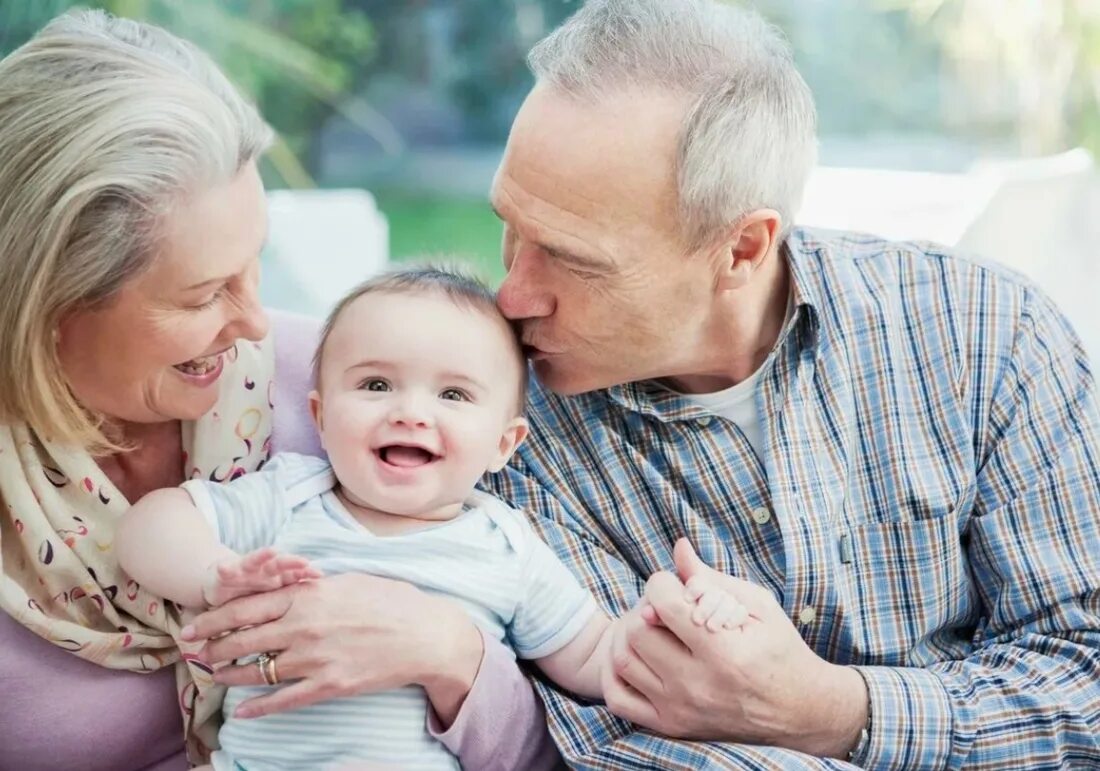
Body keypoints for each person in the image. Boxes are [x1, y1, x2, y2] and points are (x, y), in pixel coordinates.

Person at [483, 0, 1100, 768]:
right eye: (509, 226)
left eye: (571, 259)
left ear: (741, 248)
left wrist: (831, 711)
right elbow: (627, 748)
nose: (511, 296)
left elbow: (1086, 678)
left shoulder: (988, 333)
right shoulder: (494, 423)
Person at [0, 12, 561, 771]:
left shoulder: (346, 388)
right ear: (48, 304)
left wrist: (448, 653)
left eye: (254, 263)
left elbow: (553, 749)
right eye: (202, 295)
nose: (255, 320)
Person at [116, 266, 742, 770]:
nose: (412, 413)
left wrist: (675, 620)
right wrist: (215, 573)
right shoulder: (289, 499)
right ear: (320, 415)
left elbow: (597, 659)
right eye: (376, 386)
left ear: (505, 443)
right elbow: (152, 524)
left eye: (453, 395)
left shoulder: (506, 547)